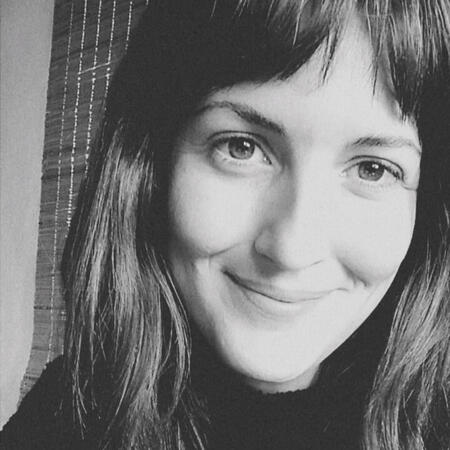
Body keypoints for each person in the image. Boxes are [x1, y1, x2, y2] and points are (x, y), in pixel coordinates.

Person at [1, 0, 450, 449]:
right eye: (241, 148)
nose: (292, 249)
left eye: (373, 169)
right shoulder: (57, 424)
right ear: (152, 166)